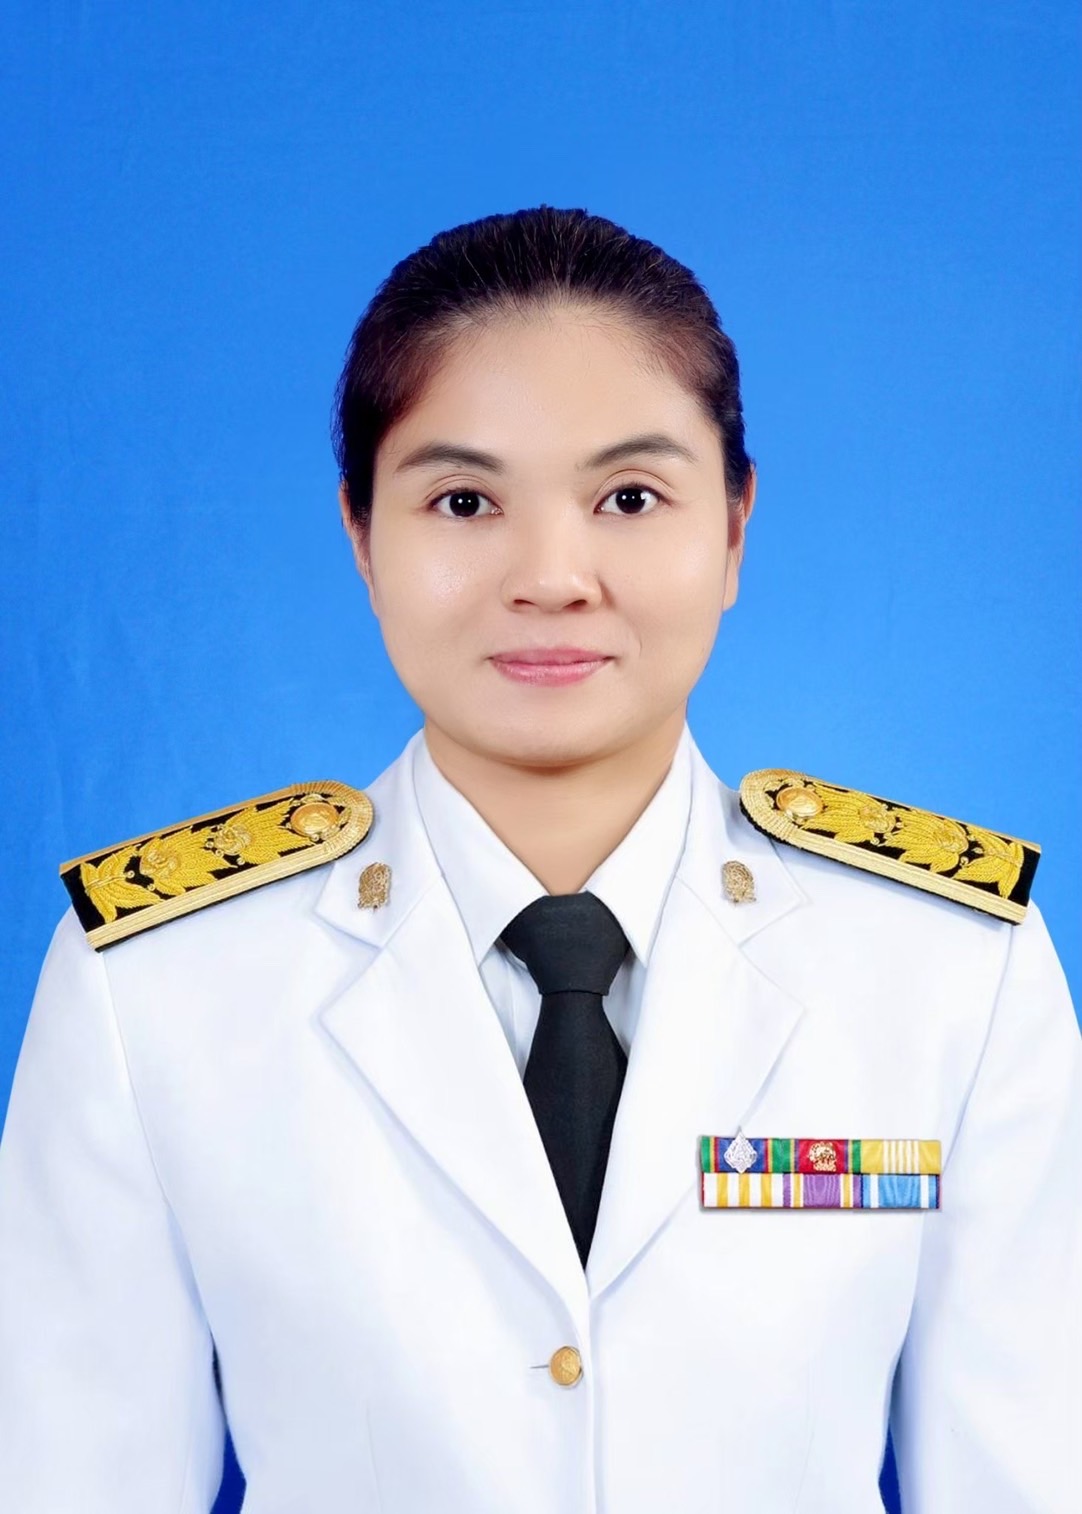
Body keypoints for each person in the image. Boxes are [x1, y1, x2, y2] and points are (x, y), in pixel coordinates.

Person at [1, 205, 1079, 1513]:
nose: (552, 576)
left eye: (629, 498)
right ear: (360, 533)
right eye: (464, 501)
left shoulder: (946, 970)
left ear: (735, 526)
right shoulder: (158, 987)